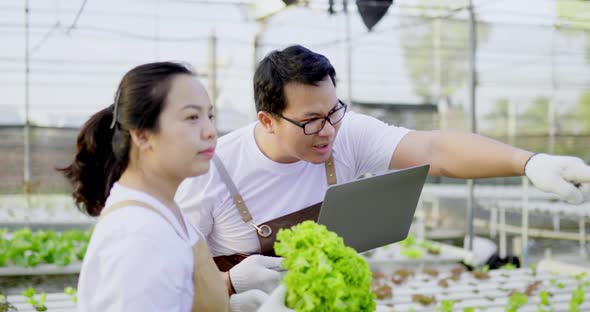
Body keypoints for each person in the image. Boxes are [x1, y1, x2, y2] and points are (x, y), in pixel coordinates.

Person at [175, 45, 590, 271]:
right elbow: (173, 275)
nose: (328, 130)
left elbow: (435, 151)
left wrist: (528, 162)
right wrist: (232, 286)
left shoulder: (346, 133)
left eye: (334, 111)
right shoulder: (211, 169)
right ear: (267, 120)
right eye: (311, 121)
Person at [59, 62, 288, 311]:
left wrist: (234, 306)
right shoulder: (137, 235)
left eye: (209, 116)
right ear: (142, 135)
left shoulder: (166, 210)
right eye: (192, 117)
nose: (210, 131)